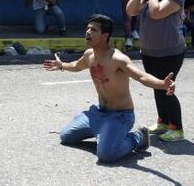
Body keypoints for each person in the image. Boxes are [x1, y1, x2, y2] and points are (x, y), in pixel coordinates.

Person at [43, 14, 175, 163]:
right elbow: (76, 65)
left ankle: (137, 138)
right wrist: (62, 66)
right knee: (66, 136)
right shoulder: (89, 55)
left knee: (106, 155)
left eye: (93, 30)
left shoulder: (118, 59)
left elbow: (141, 76)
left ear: (105, 35)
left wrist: (162, 84)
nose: (87, 32)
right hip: (99, 113)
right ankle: (104, 134)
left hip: (120, 116)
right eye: (87, 28)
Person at [126, 0, 185, 142]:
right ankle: (163, 122)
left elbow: (156, 12)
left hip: (170, 52)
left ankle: (177, 128)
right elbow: (130, 10)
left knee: (166, 88)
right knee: (155, 86)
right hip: (149, 51)